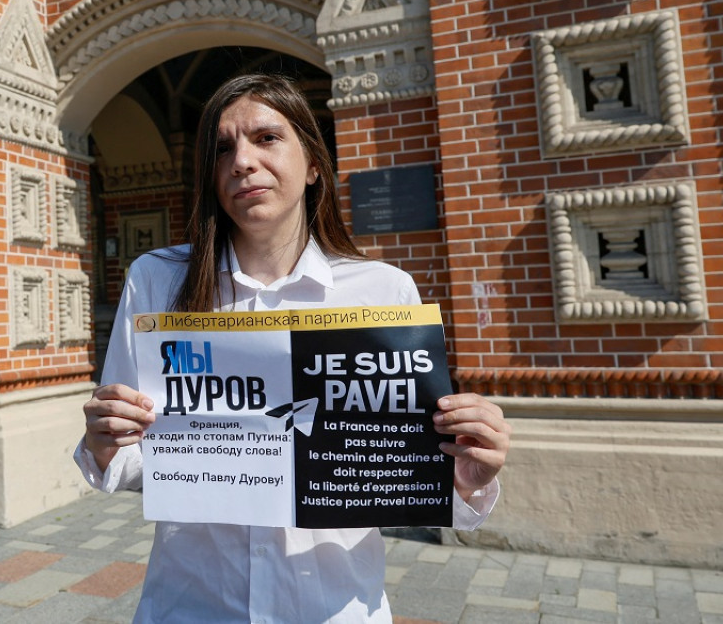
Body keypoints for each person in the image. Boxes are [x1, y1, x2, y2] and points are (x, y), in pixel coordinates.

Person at [75, 73, 511, 623]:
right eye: (223, 148)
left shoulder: (383, 291)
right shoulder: (157, 282)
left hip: (331, 607)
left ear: (312, 166)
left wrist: (464, 479)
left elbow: (404, 473)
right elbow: (138, 460)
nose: (242, 161)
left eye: (266, 138)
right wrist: (107, 443)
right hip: (193, 606)